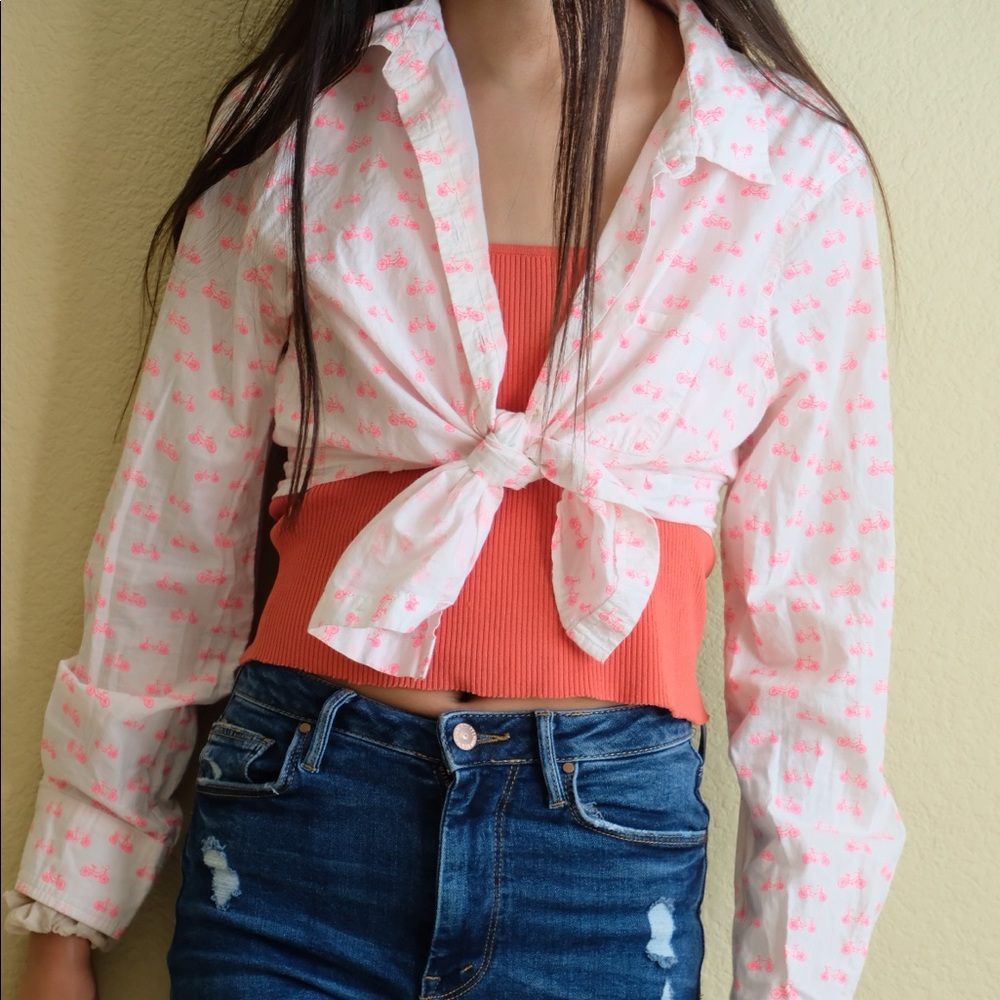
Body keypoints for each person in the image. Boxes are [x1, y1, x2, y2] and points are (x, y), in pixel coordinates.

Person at [8, 0, 905, 997]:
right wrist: (67, 914)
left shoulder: (787, 168)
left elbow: (815, 639)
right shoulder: (301, 121)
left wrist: (797, 982)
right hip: (294, 835)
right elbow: (170, 535)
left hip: (599, 871)